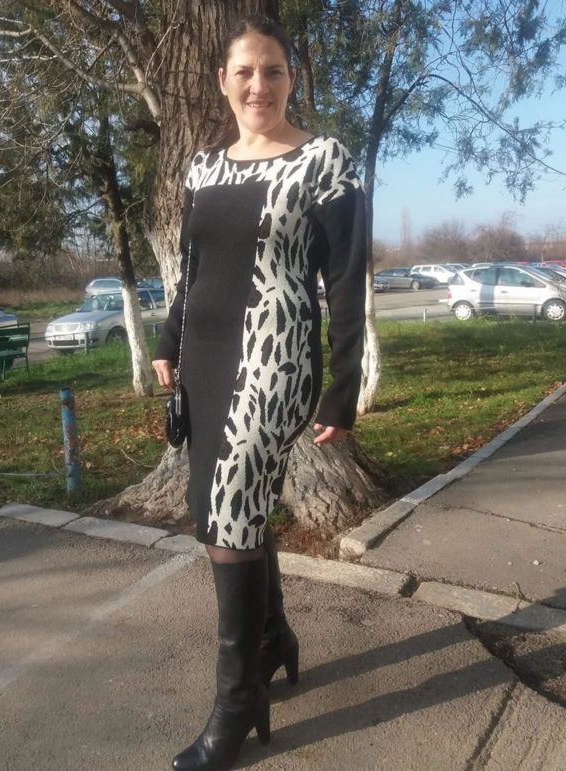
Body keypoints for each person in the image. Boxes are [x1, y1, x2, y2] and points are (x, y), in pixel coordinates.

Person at [152, 14, 366, 771]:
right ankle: (272, 637)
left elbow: (346, 278)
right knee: (227, 507)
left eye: (273, 71)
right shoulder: (202, 168)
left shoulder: (324, 161)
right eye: (244, 71)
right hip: (207, 360)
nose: (258, 86)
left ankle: (237, 700)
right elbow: (191, 268)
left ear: (290, 78)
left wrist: (343, 385)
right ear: (223, 81)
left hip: (275, 360)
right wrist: (167, 341)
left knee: (228, 510)